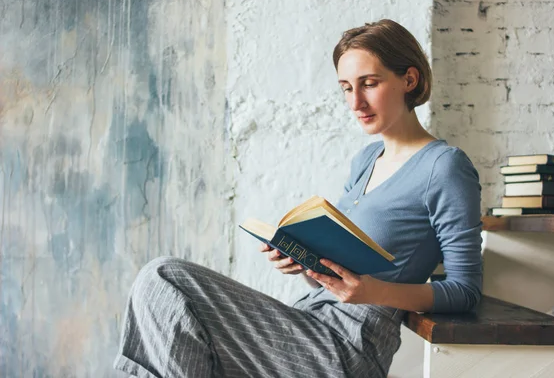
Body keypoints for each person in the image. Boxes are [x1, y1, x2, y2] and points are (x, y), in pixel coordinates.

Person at [114, 19, 483, 378]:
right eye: (345, 87)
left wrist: (375, 291)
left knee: (163, 277)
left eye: (369, 83)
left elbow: (465, 291)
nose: (356, 101)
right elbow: (342, 270)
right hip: (308, 321)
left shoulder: (444, 167)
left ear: (409, 79)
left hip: (348, 346)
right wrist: (306, 262)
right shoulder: (367, 160)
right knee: (174, 317)